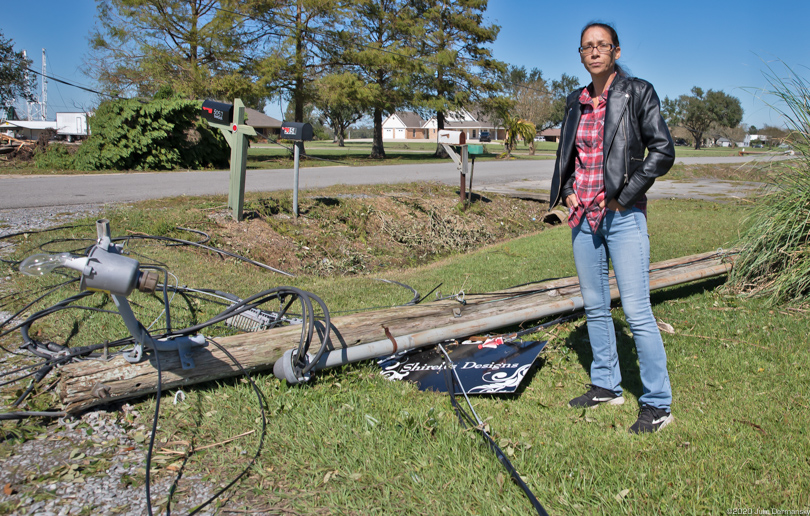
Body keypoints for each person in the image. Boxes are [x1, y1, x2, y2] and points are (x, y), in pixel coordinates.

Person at [549, 21, 676, 433]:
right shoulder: (575, 101)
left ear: (616, 52)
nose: (595, 51)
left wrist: (626, 193)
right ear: (581, 55)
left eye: (603, 45)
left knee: (637, 311)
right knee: (596, 306)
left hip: (623, 217)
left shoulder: (637, 92)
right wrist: (566, 189)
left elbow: (663, 150)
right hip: (582, 218)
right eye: (587, 46)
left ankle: (658, 403)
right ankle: (607, 385)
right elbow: (570, 155)